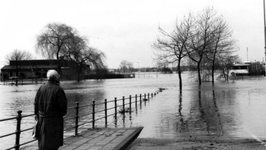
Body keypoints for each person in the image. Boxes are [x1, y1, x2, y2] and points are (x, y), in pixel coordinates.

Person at [34, 70, 68, 150]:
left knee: (43, 143)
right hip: (54, 120)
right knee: (53, 143)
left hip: (42, 119)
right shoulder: (58, 89)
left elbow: (36, 103)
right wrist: (60, 114)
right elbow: (63, 107)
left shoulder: (41, 88)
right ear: (56, 78)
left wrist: (36, 115)